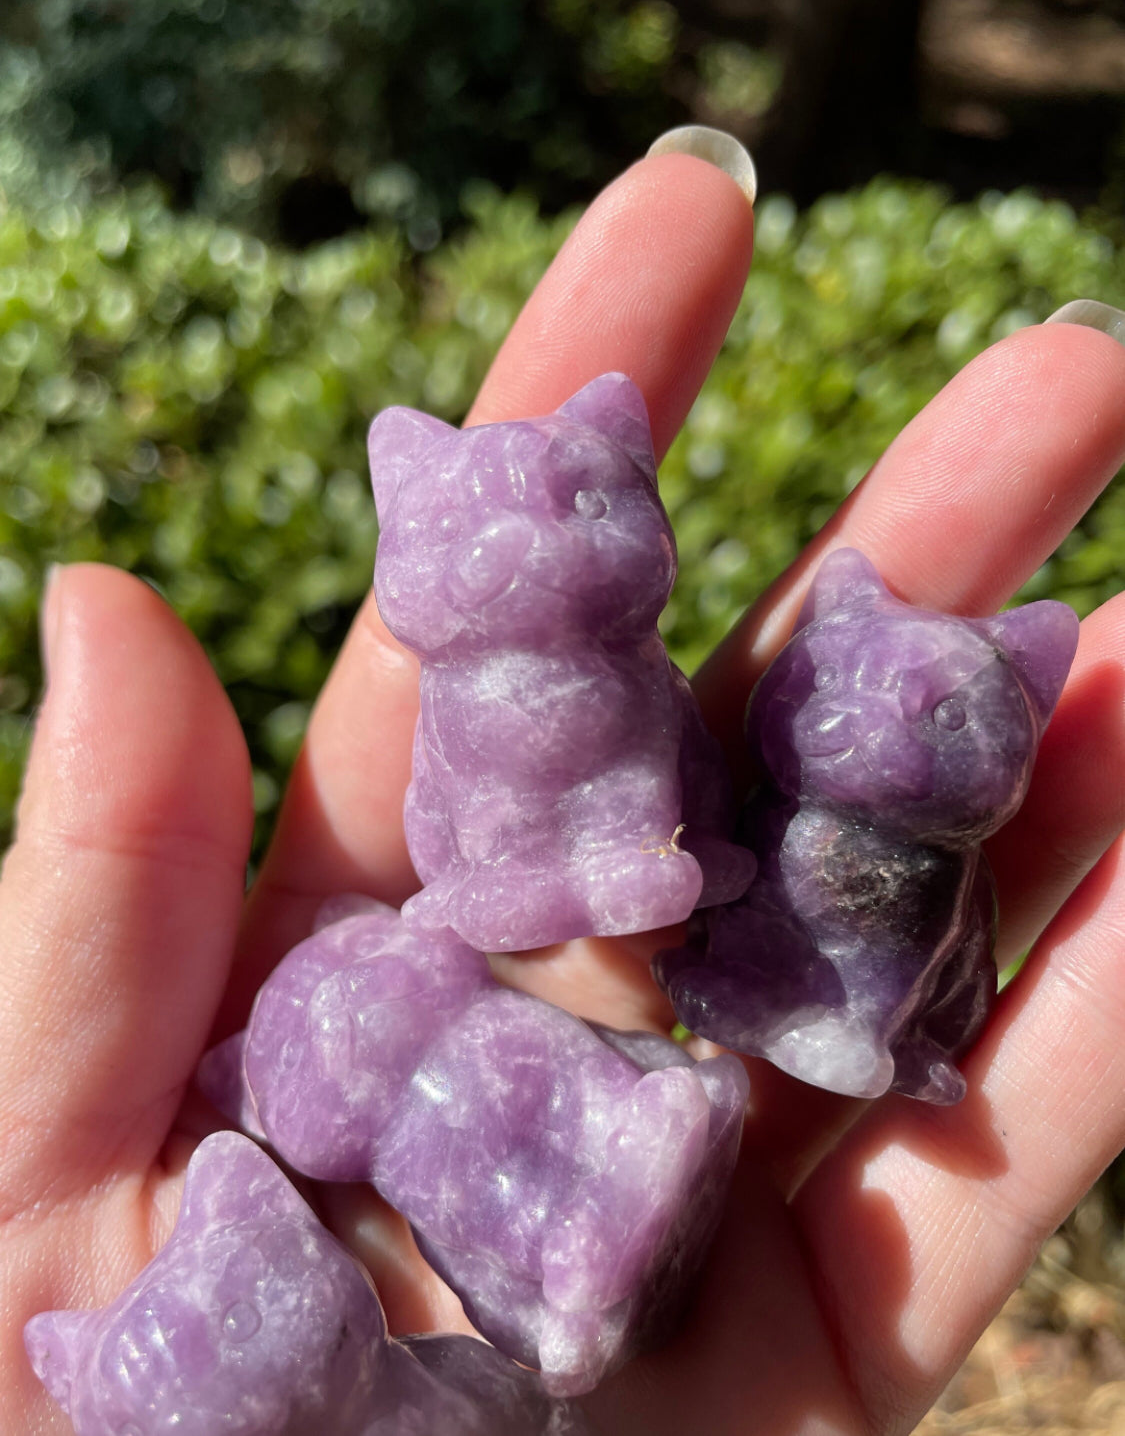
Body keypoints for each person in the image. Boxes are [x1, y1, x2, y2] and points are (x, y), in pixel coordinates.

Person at [4, 128, 1125, 1435]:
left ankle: (716, 1072)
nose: (523, 548)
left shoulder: (601, 761)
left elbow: (656, 782)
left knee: (708, 927)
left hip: (677, 909)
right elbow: (476, 824)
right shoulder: (406, 1077)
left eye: (580, 511)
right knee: (510, 1186)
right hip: (521, 908)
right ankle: (615, 1207)